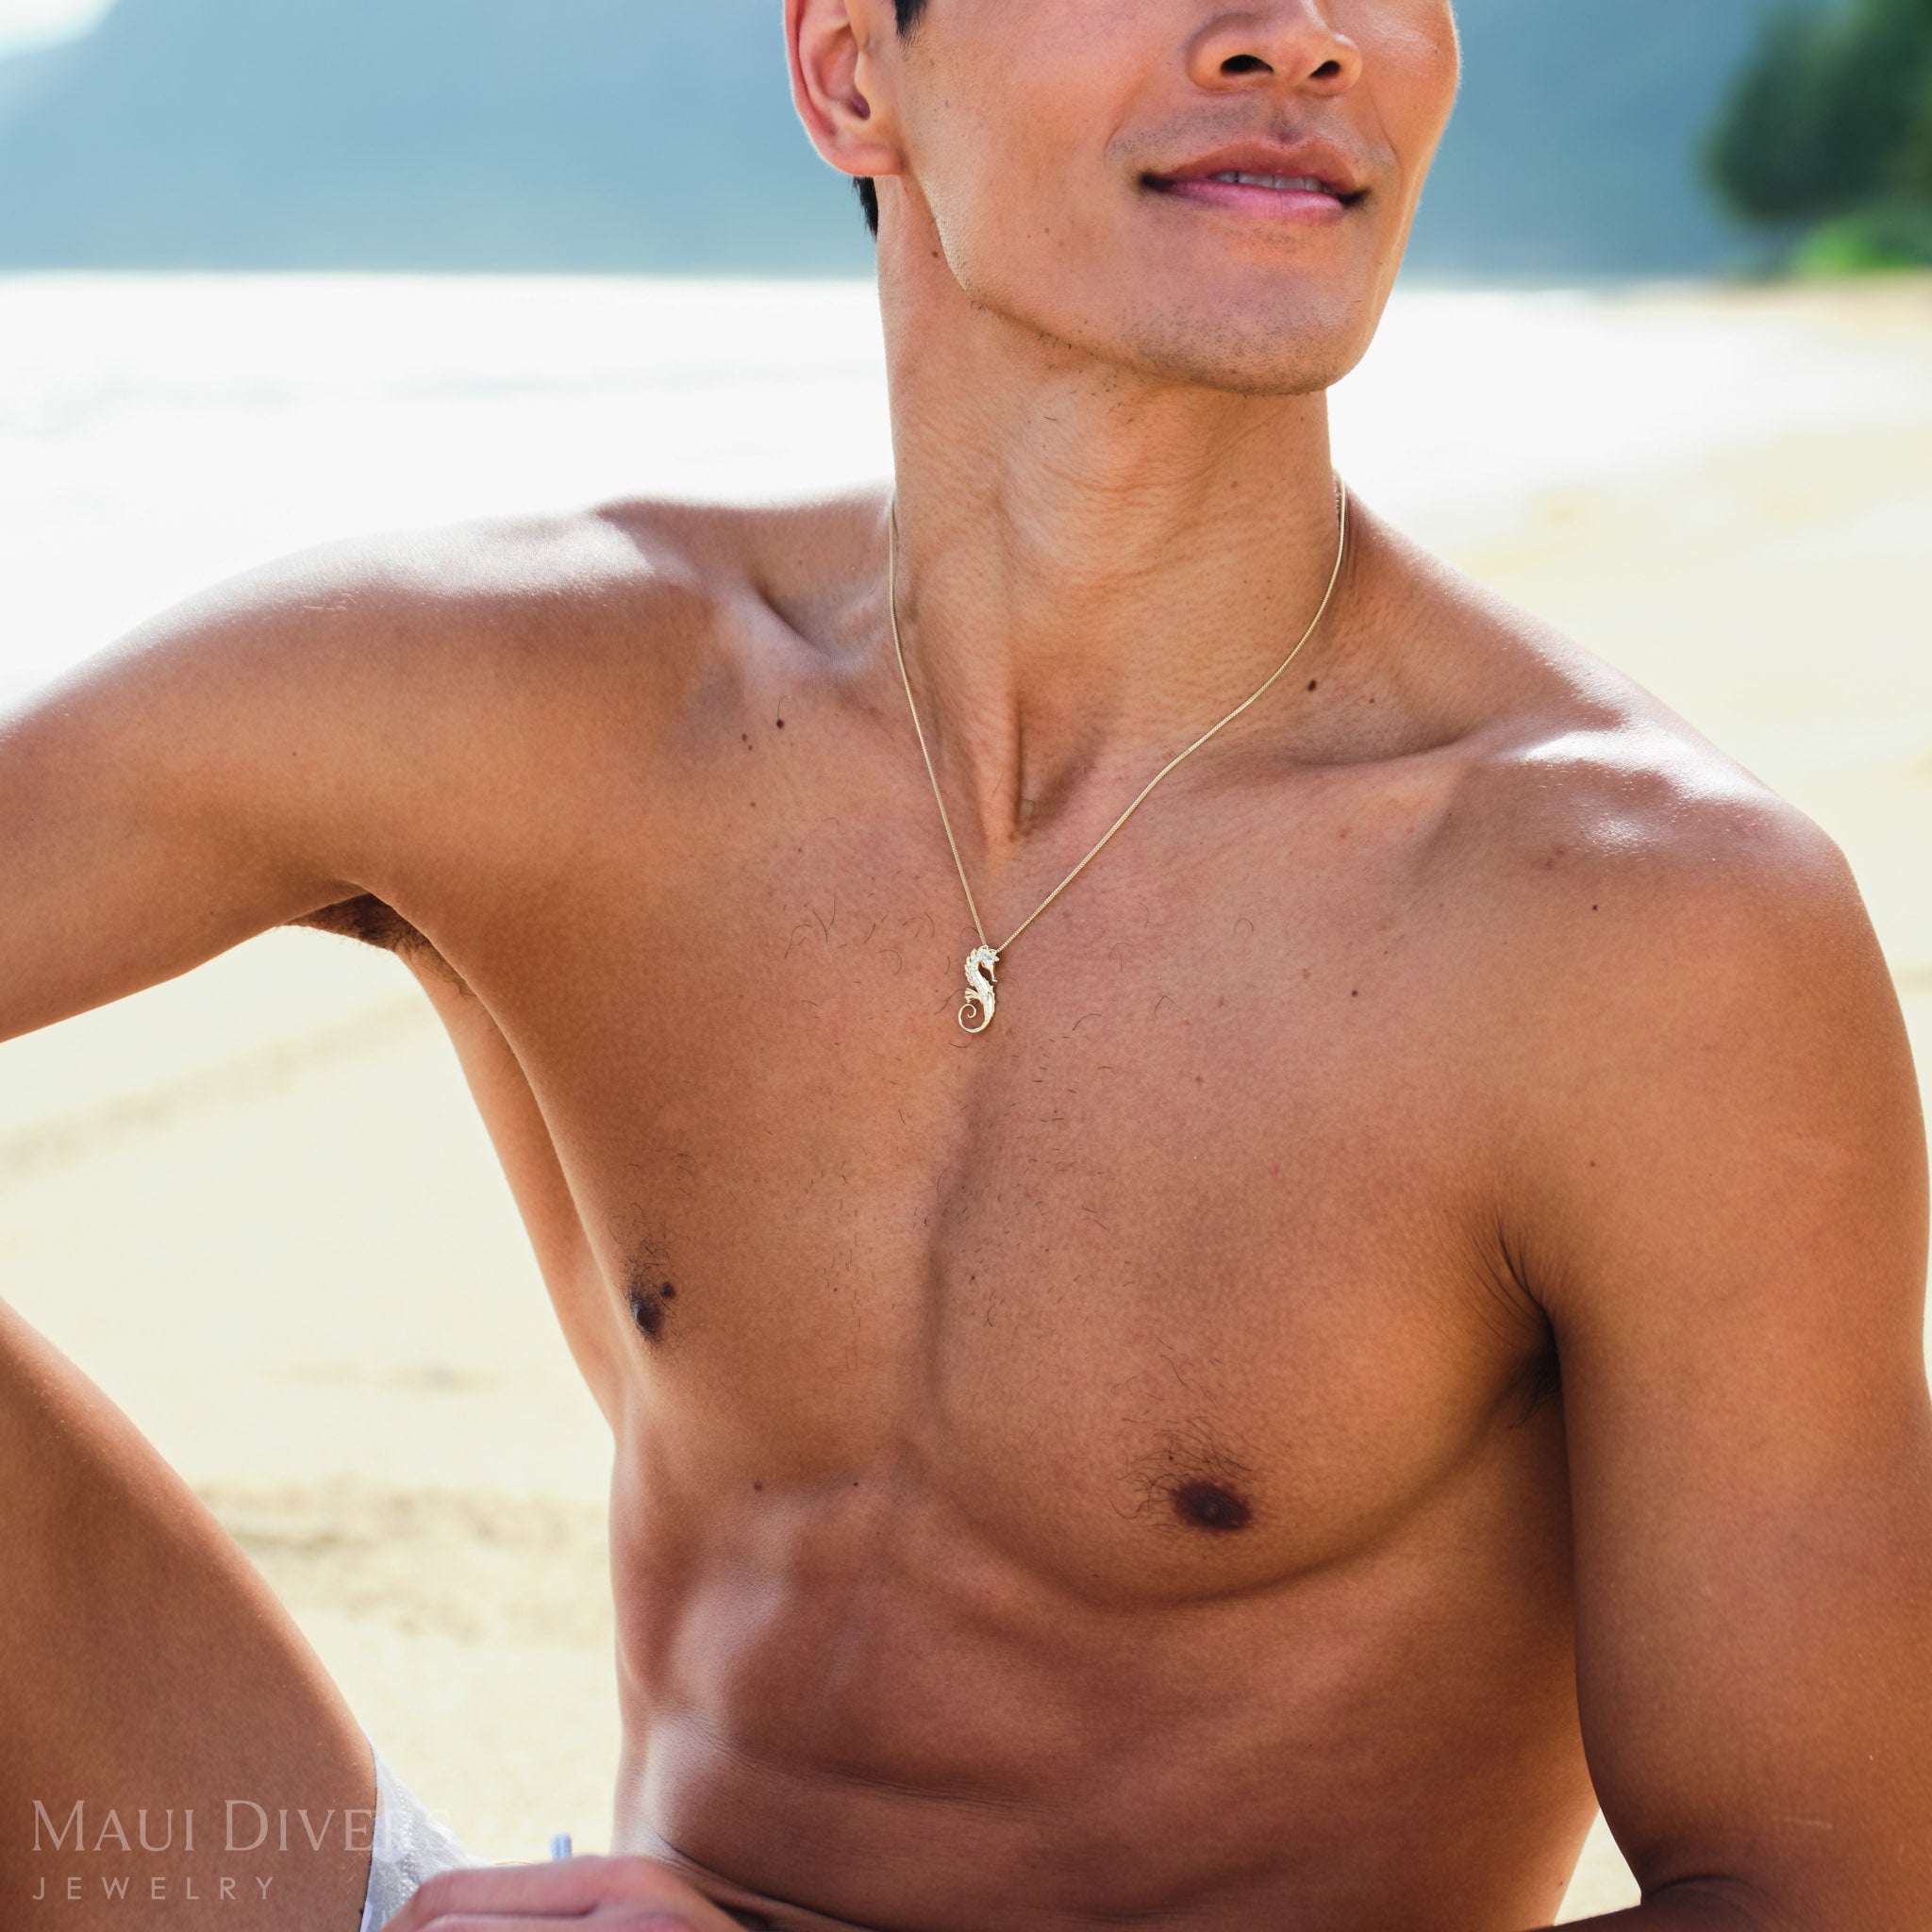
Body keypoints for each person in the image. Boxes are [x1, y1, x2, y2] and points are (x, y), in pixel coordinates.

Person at [4, 1, 1929, 1927]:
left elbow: (1826, 1897)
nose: (1297, 36)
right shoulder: (544, 698)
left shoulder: (1643, 927)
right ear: (853, 71)